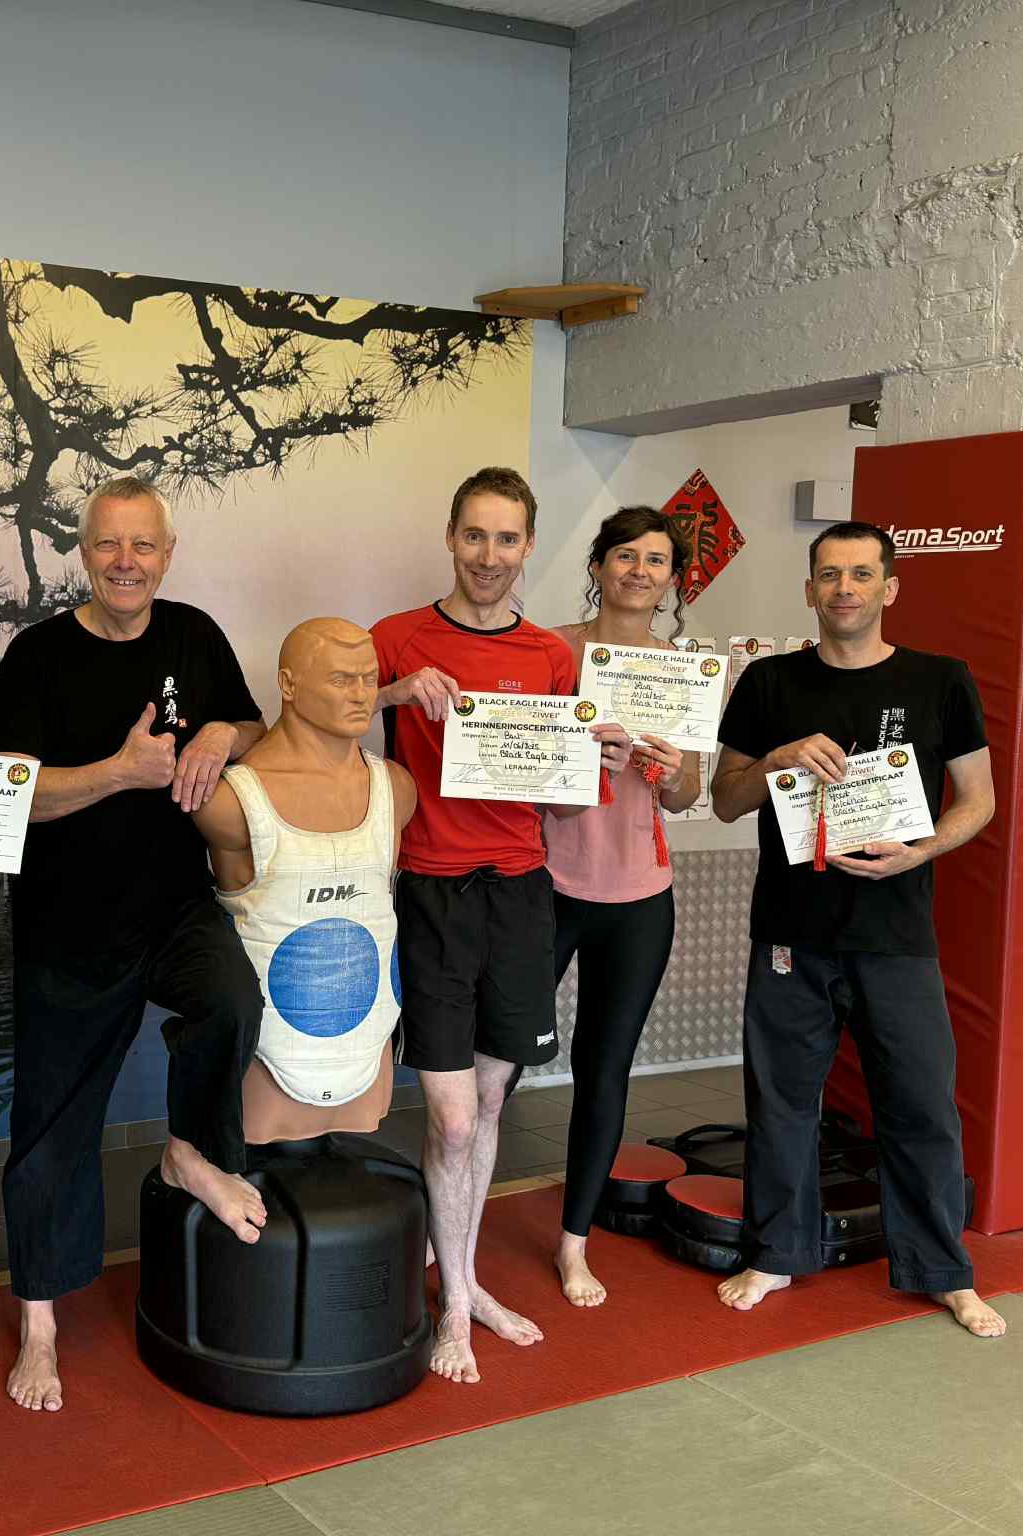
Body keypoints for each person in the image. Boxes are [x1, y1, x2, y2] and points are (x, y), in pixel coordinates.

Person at [0, 474, 268, 1413]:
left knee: (230, 1000)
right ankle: (39, 1321)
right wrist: (118, 770)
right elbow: (14, 792)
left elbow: (252, 721)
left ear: (167, 554)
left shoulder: (193, 634)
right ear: (84, 552)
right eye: (108, 544)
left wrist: (220, 731)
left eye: (143, 545)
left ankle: (188, 1151)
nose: (125, 562)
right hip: (66, 922)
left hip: (174, 905)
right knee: (51, 1129)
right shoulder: (38, 653)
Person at [710, 521, 1004, 1338]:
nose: (845, 589)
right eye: (830, 574)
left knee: (921, 1105)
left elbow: (979, 800)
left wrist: (920, 852)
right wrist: (776, 760)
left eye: (862, 574)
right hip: (790, 930)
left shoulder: (940, 680)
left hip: (897, 933)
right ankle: (776, 1253)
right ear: (810, 589)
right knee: (781, 1102)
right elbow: (726, 799)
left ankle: (942, 1270)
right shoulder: (770, 682)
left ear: (890, 588)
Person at [371, 466, 630, 1385]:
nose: (489, 555)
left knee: (486, 1105)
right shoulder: (395, 639)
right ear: (451, 536)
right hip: (431, 893)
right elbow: (320, 713)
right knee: (448, 1120)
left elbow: (564, 804)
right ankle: (454, 1304)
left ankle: (463, 1284)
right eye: (475, 535)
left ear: (528, 547)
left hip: (521, 895)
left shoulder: (552, 656)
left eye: (507, 539)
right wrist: (394, 696)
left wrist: (596, 759)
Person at [539, 507, 702, 1308]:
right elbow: (518, 766)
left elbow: (690, 792)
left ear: (672, 579)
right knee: (495, 1064)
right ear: (599, 565)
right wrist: (575, 757)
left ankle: (574, 1243)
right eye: (626, 555)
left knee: (603, 1069)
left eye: (656, 560)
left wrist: (670, 771)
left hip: (639, 895)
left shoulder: (684, 671)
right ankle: (451, 1220)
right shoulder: (550, 651)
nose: (640, 571)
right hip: (545, 883)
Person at [192, 618, 415, 1142]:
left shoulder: (396, 788)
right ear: (288, 685)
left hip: (368, 1045)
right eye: (341, 679)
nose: (361, 695)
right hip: (267, 1060)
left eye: (369, 678)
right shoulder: (228, 802)